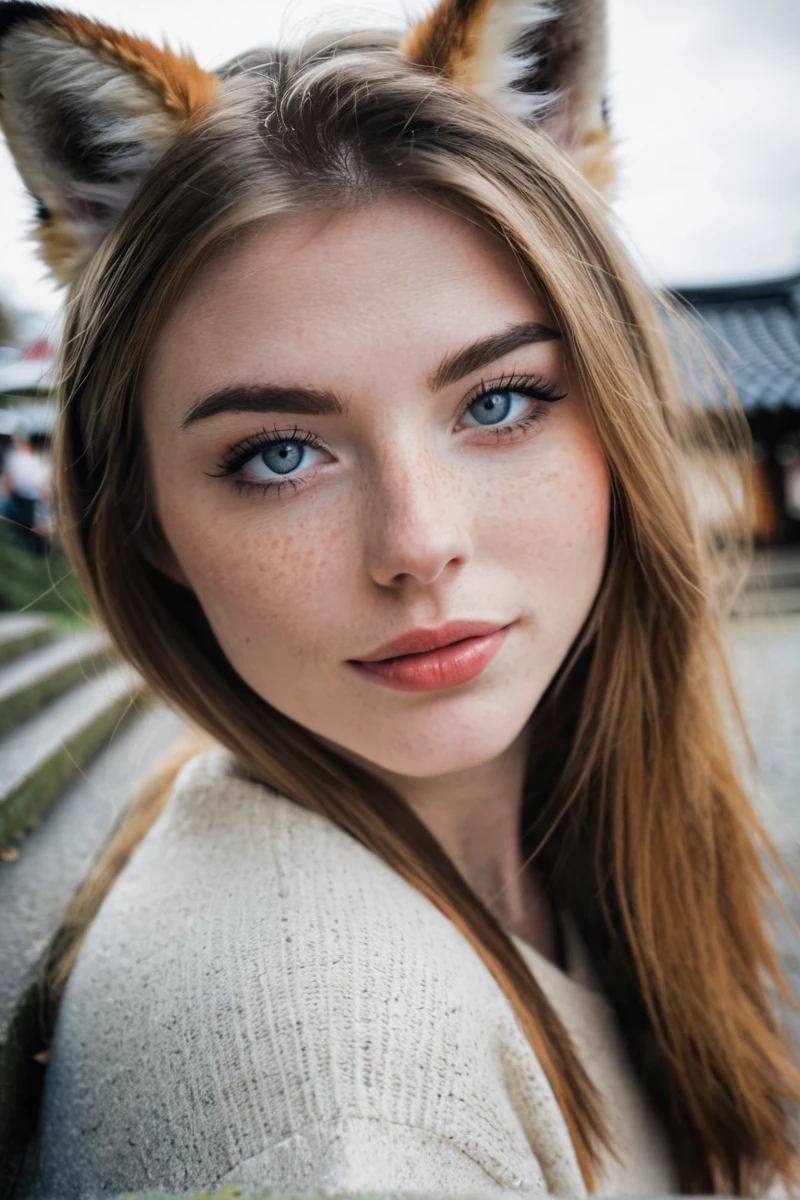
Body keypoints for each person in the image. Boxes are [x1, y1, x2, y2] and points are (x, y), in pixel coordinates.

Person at [0, 1, 797, 1196]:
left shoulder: (587, 832)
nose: (418, 546)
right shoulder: (346, 1123)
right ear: (147, 520)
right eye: (277, 452)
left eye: (497, 402)